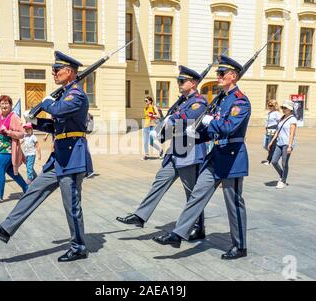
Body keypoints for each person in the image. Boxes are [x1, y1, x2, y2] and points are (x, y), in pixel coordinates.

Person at [0, 51, 93, 263]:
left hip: (72, 158)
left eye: (57, 70)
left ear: (69, 72)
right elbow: (56, 124)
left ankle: (79, 247)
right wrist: (35, 123)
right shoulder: (66, 94)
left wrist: (47, 102)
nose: (54, 72)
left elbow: (58, 111)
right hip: (59, 157)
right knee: (32, 191)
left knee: (72, 206)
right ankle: (6, 228)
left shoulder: (76, 95)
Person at [152, 55, 251, 260]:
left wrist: (206, 120)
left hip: (231, 157)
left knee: (233, 203)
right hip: (215, 156)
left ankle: (240, 246)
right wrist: (190, 135)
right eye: (218, 73)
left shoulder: (241, 101)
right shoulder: (221, 100)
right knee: (197, 195)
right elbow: (209, 132)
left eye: (222, 73)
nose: (218, 76)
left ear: (233, 76)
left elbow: (228, 128)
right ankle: (179, 234)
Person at [116, 65, 208, 241]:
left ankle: (198, 227)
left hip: (189, 150)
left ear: (193, 83)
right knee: (159, 181)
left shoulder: (199, 101)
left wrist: (169, 120)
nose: (179, 84)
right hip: (175, 149)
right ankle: (140, 215)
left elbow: (187, 118)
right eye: (178, 81)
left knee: (191, 193)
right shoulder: (183, 101)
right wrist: (163, 129)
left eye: (182, 81)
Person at [0, 95, 28, 204]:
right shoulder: (0, 115)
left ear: (10, 105)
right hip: (2, 149)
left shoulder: (13, 117)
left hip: (9, 149)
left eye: (7, 103)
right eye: (2, 103)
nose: (4, 106)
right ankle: (27, 189)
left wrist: (9, 132)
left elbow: (22, 134)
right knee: (11, 172)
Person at [268, 100, 297, 189]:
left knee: (284, 163)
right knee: (274, 161)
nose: (283, 109)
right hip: (279, 142)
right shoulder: (282, 117)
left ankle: (283, 181)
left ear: (290, 109)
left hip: (287, 143)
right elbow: (277, 131)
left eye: (285, 108)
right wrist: (272, 141)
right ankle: (282, 175)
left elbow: (292, 134)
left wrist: (289, 146)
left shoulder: (293, 119)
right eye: (283, 108)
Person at [261, 99, 282, 165]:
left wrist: (277, 131)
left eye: (271, 105)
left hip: (273, 130)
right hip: (268, 130)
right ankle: (275, 155)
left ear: (275, 106)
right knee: (265, 145)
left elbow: (280, 122)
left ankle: (269, 160)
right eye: (268, 105)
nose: (269, 107)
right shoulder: (269, 113)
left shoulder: (277, 113)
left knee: (271, 145)